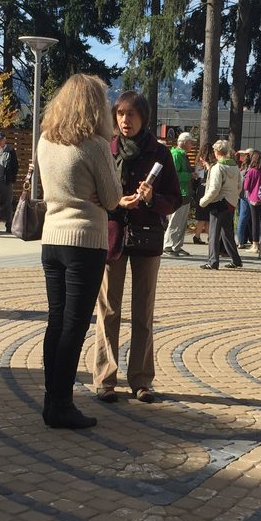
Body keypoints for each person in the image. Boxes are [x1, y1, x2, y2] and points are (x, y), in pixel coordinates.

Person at [37, 74, 123, 428]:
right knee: (74, 326)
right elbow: (114, 198)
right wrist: (101, 196)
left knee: (56, 321)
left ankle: (51, 400)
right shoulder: (95, 146)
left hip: (51, 239)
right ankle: (62, 405)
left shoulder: (45, 140)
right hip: (84, 241)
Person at [90, 91, 181, 404]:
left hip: (146, 238)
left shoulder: (160, 153)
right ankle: (105, 380)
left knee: (143, 312)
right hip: (113, 236)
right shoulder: (107, 148)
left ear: (144, 118)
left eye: (131, 115)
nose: (124, 121)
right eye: (120, 114)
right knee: (108, 310)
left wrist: (151, 199)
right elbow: (95, 195)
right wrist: (118, 203)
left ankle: (142, 380)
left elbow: (175, 199)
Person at [199, 140, 242, 270]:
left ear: (216, 151)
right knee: (227, 232)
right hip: (231, 202)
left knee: (213, 233)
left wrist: (203, 201)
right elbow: (239, 185)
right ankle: (236, 260)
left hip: (218, 202)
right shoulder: (234, 167)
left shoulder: (218, 167)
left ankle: (212, 261)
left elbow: (214, 189)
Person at [162, 131, 195, 257]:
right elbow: (173, 175)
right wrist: (190, 175)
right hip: (178, 193)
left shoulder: (183, 155)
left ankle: (177, 246)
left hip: (185, 193)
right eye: (191, 142)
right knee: (175, 221)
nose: (192, 145)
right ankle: (168, 246)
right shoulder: (176, 155)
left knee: (182, 222)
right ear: (185, 142)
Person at [243, 149, 261, 253]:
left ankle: (255, 244)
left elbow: (246, 186)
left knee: (255, 222)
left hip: (254, 198)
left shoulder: (251, 171)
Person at [192, 139, 216, 245]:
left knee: (203, 217)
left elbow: (197, 179)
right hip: (206, 190)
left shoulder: (198, 164)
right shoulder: (211, 165)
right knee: (206, 217)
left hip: (199, 190)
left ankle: (203, 236)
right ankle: (201, 236)